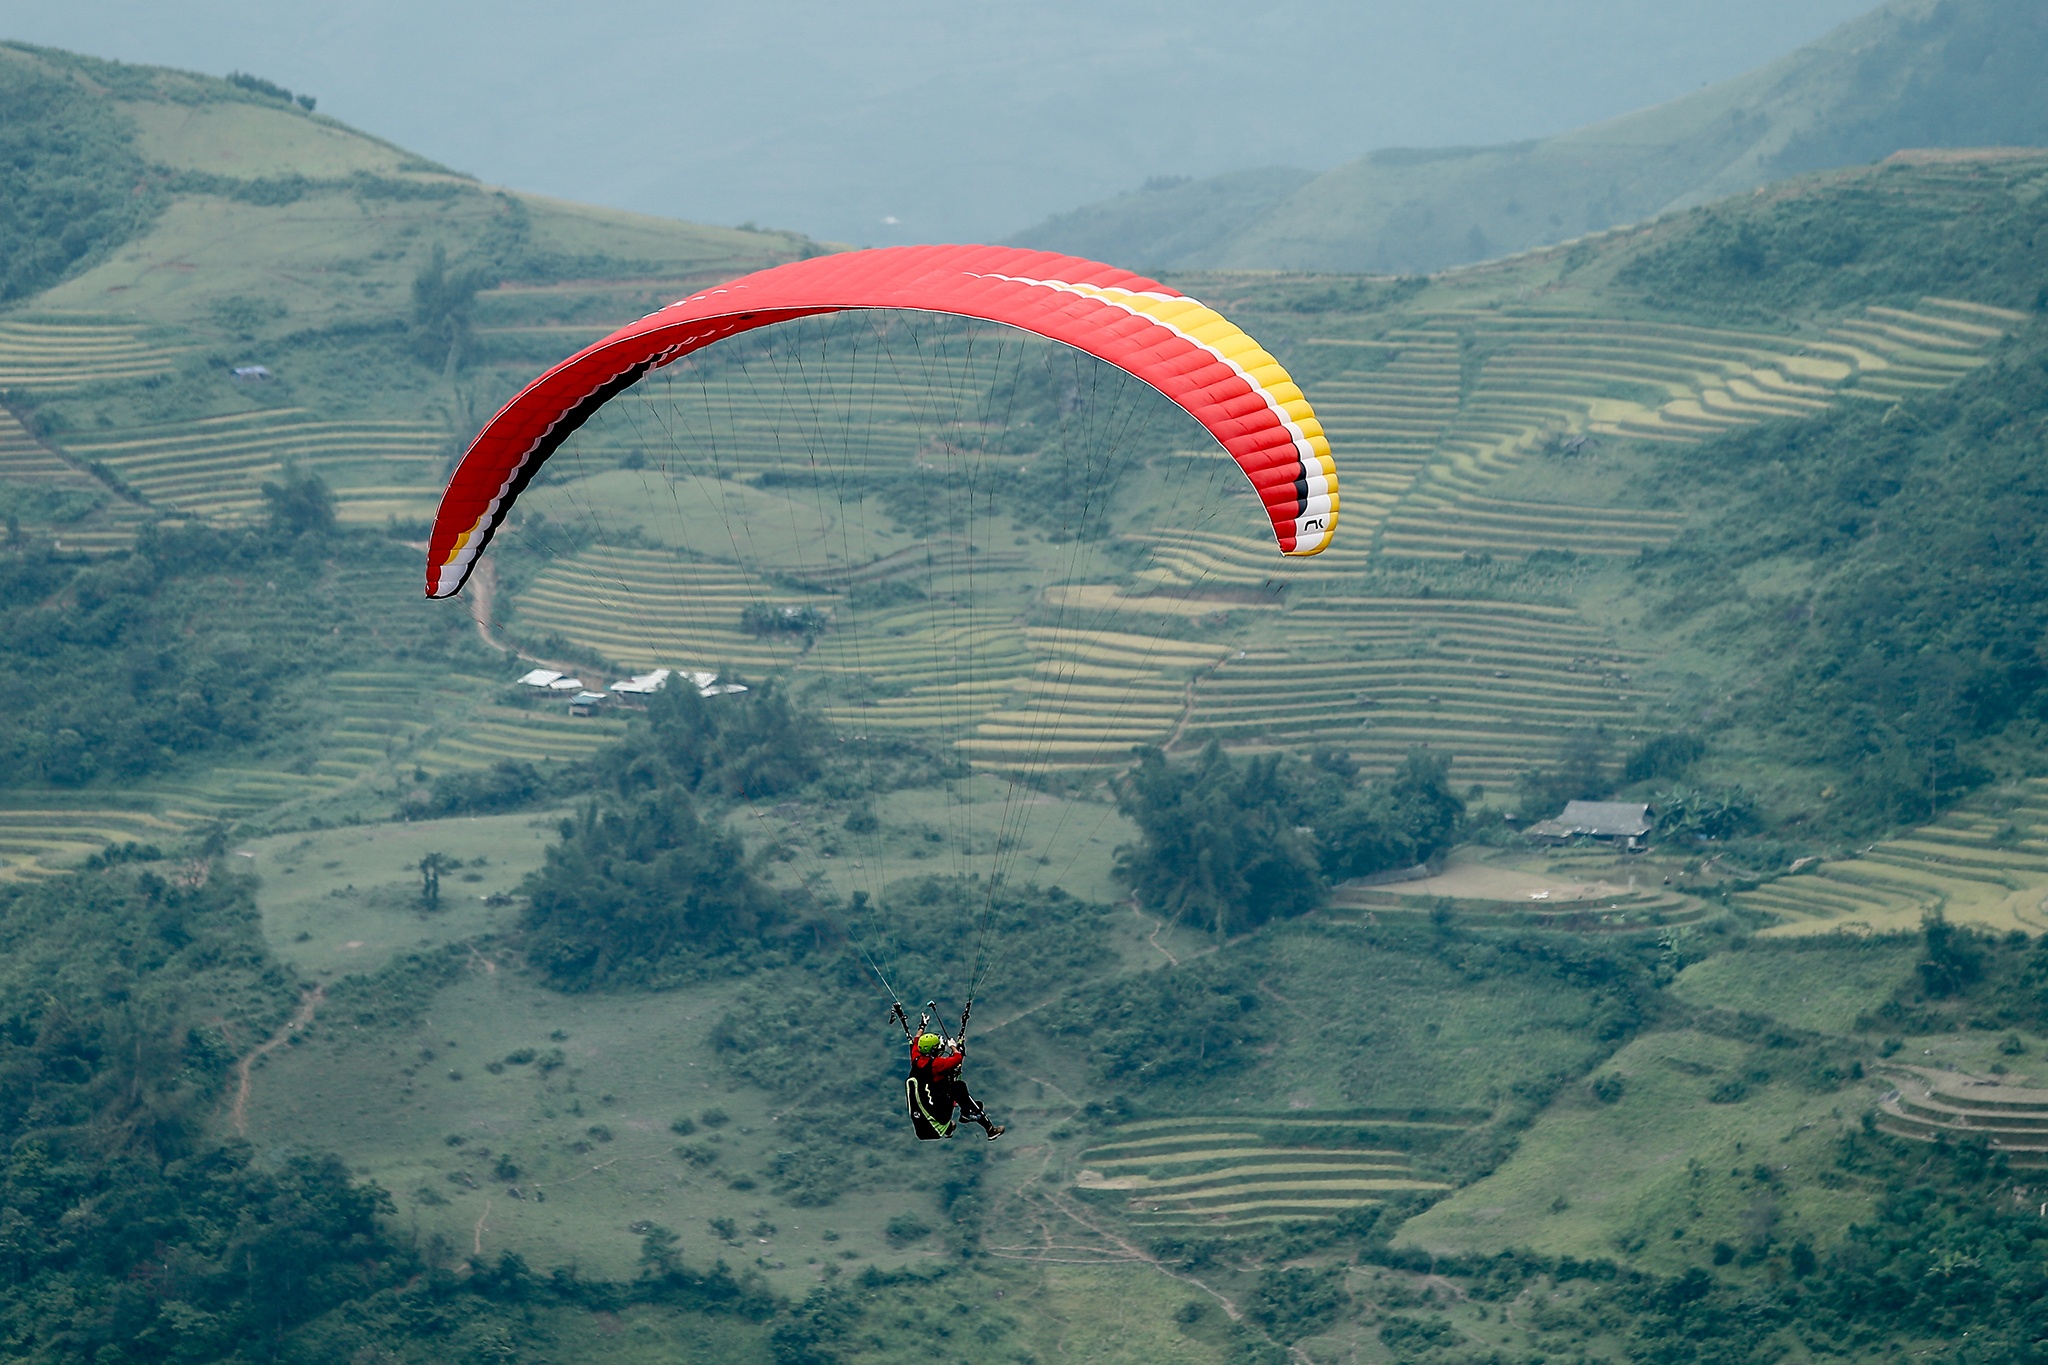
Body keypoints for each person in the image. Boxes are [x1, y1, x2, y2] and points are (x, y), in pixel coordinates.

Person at [906, 1030, 1003, 1141]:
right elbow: (957, 1059)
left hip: (923, 1123)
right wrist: (953, 1047)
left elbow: (915, 1042)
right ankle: (989, 1129)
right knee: (959, 1087)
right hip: (936, 1122)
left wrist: (921, 1027)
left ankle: (950, 1128)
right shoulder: (936, 1064)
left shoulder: (916, 1059)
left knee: (952, 1092)